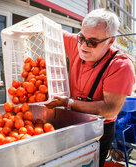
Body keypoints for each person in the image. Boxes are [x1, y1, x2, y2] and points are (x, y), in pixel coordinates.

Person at [45, 8, 135, 167]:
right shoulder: (77, 43)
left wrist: (69, 103)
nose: (83, 46)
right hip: (70, 123)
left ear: (110, 41)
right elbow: (48, 31)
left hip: (98, 130)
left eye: (92, 42)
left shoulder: (120, 65)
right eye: (81, 37)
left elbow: (110, 109)